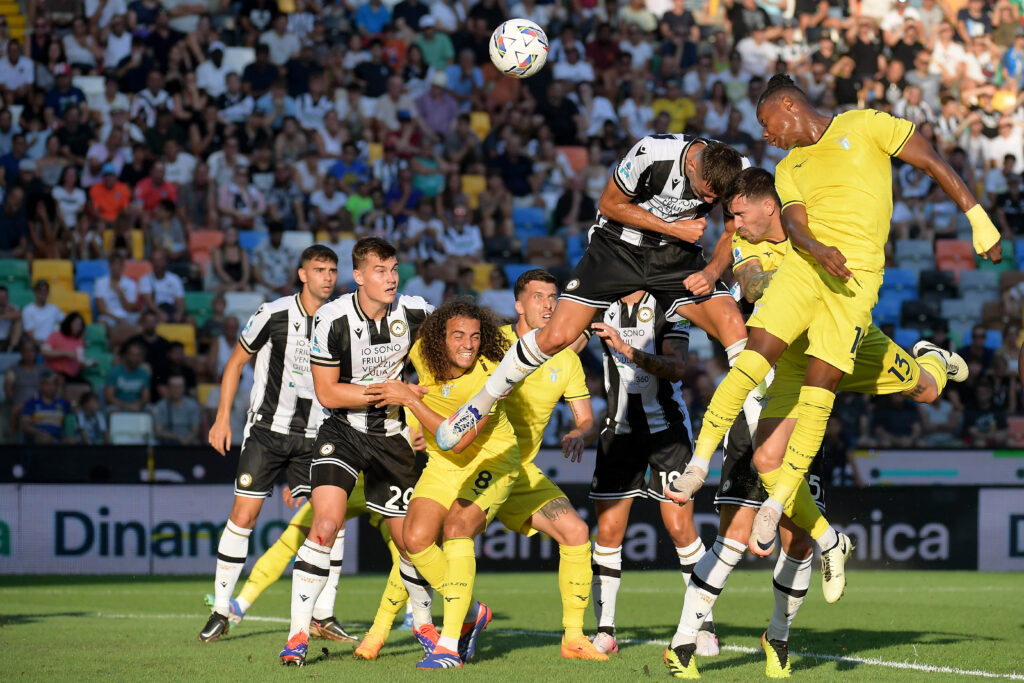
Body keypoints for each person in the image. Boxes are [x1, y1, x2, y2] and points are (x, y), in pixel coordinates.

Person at [665, 73, 1001, 557]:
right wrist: (817, 249)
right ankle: (701, 467)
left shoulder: (864, 125)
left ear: (787, 105)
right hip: (808, 270)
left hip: (855, 281)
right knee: (753, 361)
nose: (765, 134)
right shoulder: (788, 167)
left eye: (766, 121)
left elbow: (931, 161)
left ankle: (928, 362)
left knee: (871, 389)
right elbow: (796, 224)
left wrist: (976, 216)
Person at [664, 167, 967, 678]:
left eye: (739, 215)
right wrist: (801, 275)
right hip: (785, 379)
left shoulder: (812, 221)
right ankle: (690, 644)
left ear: (768, 206)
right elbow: (755, 289)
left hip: (846, 345)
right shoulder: (747, 245)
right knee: (742, 527)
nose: (734, 226)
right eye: (729, 219)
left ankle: (932, 356)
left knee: (928, 389)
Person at [436, 137, 751, 451]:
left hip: (676, 257)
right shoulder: (652, 152)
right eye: (703, 191)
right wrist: (673, 228)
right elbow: (608, 205)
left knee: (733, 326)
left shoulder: (738, 171)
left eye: (714, 197)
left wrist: (711, 273)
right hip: (617, 249)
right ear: (692, 164)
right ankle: (479, 404)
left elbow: (729, 232)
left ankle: (757, 430)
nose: (706, 199)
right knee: (556, 336)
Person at [279, 238, 435, 666]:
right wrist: (389, 391)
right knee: (325, 525)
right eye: (381, 271)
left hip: (393, 440)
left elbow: (458, 343)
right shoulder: (330, 318)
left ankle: (424, 626)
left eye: (395, 269)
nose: (391, 278)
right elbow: (328, 392)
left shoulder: (417, 311)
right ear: (359, 276)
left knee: (411, 542)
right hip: (343, 433)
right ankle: (296, 636)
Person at [198, 245, 342, 643]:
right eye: (319, 270)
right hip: (266, 430)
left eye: (332, 270)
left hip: (317, 435)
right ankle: (221, 611)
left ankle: (324, 615)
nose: (327, 277)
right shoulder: (272, 314)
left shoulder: (342, 320)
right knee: (243, 517)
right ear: (302, 274)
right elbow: (235, 363)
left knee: (333, 520)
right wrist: (222, 417)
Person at [363, 298, 514, 670]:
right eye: (458, 335)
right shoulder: (420, 353)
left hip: (491, 462)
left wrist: (409, 402)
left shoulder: (491, 377)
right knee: (413, 540)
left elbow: (456, 439)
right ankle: (473, 610)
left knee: (457, 527)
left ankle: (448, 646)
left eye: (476, 337)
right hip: (443, 466)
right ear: (438, 338)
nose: (467, 343)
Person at [587, 288, 717, 657]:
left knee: (680, 530)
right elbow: (567, 339)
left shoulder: (668, 305)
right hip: (619, 432)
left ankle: (703, 626)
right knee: (609, 532)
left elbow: (677, 367)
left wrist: (628, 350)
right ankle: (605, 631)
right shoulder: (601, 301)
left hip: (667, 432)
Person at [487, 269, 605, 660]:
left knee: (575, 531)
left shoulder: (566, 359)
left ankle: (573, 637)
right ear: (518, 305)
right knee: (427, 542)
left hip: (520, 472)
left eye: (553, 297)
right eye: (538, 297)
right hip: (475, 465)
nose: (548, 304)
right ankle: (416, 626)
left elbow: (588, 420)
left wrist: (580, 434)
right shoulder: (490, 344)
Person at [20, 370, 71, 444]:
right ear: (40, 386)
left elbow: (74, 415)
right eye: (47, 384)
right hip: (39, 438)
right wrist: (39, 433)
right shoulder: (32, 403)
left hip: (59, 437)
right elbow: (25, 425)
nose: (51, 387)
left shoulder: (63, 403)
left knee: (71, 440)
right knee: (45, 439)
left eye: (54, 384)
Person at [150, 373, 201, 445]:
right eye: (173, 387)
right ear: (168, 388)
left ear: (184, 388)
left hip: (188, 444)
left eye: (179, 387)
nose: (176, 390)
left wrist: (187, 440)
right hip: (165, 445)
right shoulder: (160, 406)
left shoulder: (192, 405)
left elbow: (195, 430)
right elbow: (158, 431)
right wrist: (178, 437)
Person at [41, 311, 91, 382]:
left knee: (87, 386)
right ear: (69, 323)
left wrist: (89, 364)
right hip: (56, 372)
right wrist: (65, 353)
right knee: (60, 380)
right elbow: (44, 352)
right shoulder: (55, 335)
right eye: (76, 324)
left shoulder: (79, 341)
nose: (78, 327)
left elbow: (81, 362)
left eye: (80, 325)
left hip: (73, 374)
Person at [138, 248, 186, 322]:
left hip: (171, 308)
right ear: (152, 263)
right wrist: (159, 313)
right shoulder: (145, 280)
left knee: (189, 320)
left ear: (165, 261)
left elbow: (180, 300)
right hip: (154, 309)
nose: (158, 264)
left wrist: (179, 313)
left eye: (160, 260)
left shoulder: (174, 278)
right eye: (155, 261)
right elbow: (148, 302)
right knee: (152, 319)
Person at [93, 253, 139, 326]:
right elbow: (101, 309)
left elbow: (129, 309)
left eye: (121, 265)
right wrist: (117, 319)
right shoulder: (100, 282)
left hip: (126, 316)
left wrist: (119, 292)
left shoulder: (131, 283)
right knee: (101, 323)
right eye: (116, 264)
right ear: (110, 266)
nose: (118, 267)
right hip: (108, 317)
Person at [104, 341, 151, 412]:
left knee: (151, 409)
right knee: (112, 411)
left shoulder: (144, 374)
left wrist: (138, 404)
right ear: (126, 355)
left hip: (137, 405)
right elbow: (109, 396)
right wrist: (127, 406)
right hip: (118, 405)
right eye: (132, 355)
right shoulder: (114, 372)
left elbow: (146, 397)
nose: (135, 358)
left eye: (138, 355)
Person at [21, 279, 63, 345]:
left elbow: (66, 322)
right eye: (40, 291)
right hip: (36, 345)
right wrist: (42, 345)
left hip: (53, 344)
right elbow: (29, 333)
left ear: (48, 293)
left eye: (45, 291)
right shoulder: (28, 310)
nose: (43, 293)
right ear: (35, 293)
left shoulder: (54, 309)